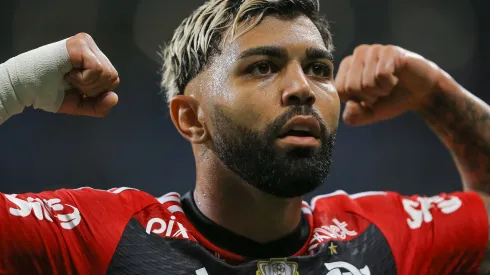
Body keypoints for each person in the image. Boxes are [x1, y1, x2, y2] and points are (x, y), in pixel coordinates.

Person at [0, 0, 489, 274]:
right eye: (262, 67)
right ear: (191, 118)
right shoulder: (102, 237)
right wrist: (13, 84)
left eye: (319, 69)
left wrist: (436, 93)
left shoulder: (379, 235)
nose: (303, 89)